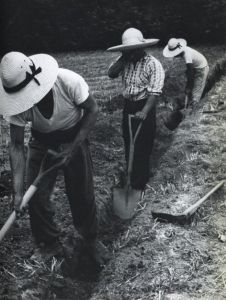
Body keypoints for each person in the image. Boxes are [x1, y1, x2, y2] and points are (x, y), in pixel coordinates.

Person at [0, 51, 108, 267]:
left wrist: (72, 147)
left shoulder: (68, 81)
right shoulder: (17, 105)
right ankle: (49, 244)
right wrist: (18, 191)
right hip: (41, 141)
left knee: (82, 193)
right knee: (35, 197)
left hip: (73, 135)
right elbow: (17, 145)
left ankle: (89, 239)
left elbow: (93, 109)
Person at [107, 28, 165, 191]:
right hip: (128, 106)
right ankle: (130, 180)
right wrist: (123, 58)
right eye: (127, 50)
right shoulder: (124, 60)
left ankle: (139, 184)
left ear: (141, 48)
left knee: (142, 147)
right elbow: (111, 74)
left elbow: (154, 92)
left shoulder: (153, 64)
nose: (131, 53)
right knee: (128, 143)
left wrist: (144, 112)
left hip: (144, 106)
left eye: (133, 50)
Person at [163, 38, 209, 109]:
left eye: (174, 54)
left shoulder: (187, 55)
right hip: (195, 66)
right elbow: (189, 71)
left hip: (201, 68)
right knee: (191, 87)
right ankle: (188, 103)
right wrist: (189, 85)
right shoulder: (184, 51)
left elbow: (190, 72)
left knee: (196, 90)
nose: (174, 56)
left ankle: (193, 108)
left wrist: (188, 87)